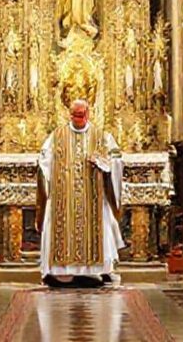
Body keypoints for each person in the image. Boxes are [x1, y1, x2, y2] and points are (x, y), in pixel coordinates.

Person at [36, 99, 124, 287]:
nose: (79, 118)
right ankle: (61, 272)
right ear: (70, 114)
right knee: (58, 224)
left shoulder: (101, 136)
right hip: (63, 196)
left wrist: (102, 162)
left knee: (101, 225)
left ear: (88, 114)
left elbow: (116, 159)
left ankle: (95, 271)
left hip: (93, 196)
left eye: (82, 115)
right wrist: (48, 170)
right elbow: (43, 159)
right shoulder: (57, 136)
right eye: (76, 115)